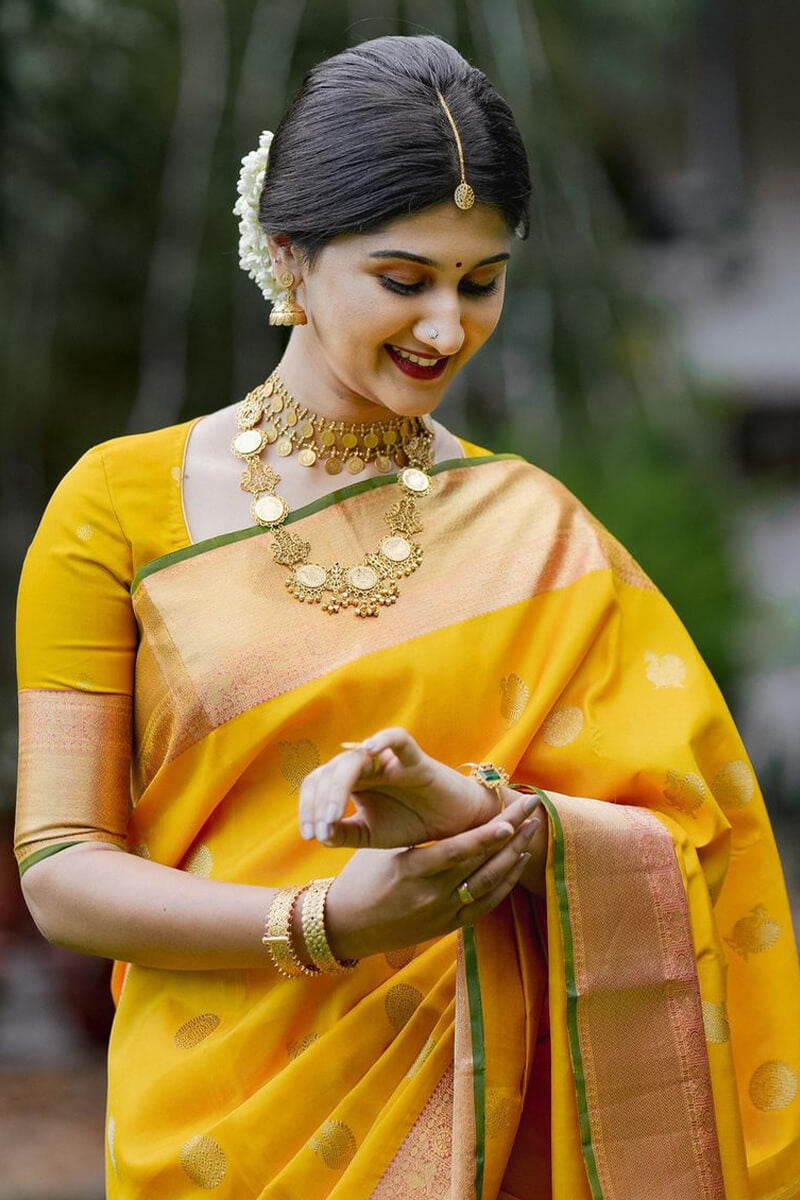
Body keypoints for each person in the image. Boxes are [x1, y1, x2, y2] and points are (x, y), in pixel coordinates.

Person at [13, 33, 800, 1200]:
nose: (445, 327)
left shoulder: (537, 532)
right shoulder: (117, 509)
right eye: (402, 278)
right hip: (216, 1131)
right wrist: (324, 920)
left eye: (478, 282)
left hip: (485, 1123)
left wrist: (472, 811)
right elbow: (62, 867)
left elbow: (689, 844)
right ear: (288, 256)